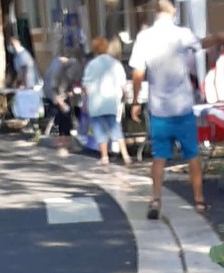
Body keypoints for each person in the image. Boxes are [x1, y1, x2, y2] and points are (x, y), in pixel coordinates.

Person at [129, 0, 204, 220]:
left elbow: (138, 73)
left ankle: (155, 199)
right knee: (192, 155)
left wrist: (135, 100)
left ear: (155, 10)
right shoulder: (183, 34)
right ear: (175, 9)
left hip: (159, 108)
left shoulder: (144, 37)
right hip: (182, 105)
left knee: (159, 156)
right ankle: (199, 200)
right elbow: (200, 48)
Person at [82, 34, 128, 166]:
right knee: (115, 128)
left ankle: (104, 157)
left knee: (99, 131)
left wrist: (86, 99)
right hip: (111, 101)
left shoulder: (91, 65)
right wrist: (122, 96)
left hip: (96, 102)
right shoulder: (115, 63)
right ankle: (125, 155)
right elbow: (122, 84)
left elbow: (86, 86)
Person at [43, 47, 79, 153]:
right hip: (56, 98)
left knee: (66, 122)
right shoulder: (58, 67)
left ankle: (66, 145)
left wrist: (69, 91)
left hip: (60, 96)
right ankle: (61, 145)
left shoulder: (57, 64)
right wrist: (60, 101)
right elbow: (52, 86)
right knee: (60, 122)